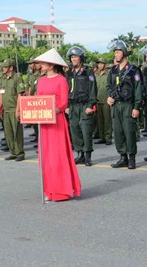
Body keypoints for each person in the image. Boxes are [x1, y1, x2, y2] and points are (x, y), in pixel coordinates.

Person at [32, 49, 81, 202]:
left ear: (52, 65)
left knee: (58, 156)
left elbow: (63, 102)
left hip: (57, 122)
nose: (40, 65)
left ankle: (62, 190)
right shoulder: (41, 80)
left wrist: (52, 110)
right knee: (46, 157)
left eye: (43, 63)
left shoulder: (61, 80)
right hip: (45, 124)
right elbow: (37, 99)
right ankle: (49, 189)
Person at [107, 40, 143, 170]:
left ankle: (131, 158)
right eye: (115, 52)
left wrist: (136, 107)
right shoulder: (113, 70)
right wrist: (109, 97)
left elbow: (138, 89)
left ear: (124, 53)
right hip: (116, 105)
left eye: (118, 52)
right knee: (118, 132)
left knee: (129, 132)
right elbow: (109, 86)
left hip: (128, 105)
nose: (115, 55)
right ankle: (122, 157)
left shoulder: (133, 70)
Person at [65, 46, 97, 166]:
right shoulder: (69, 72)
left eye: (76, 57)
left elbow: (93, 89)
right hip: (73, 106)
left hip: (84, 105)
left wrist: (91, 104)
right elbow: (66, 90)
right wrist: (66, 106)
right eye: (72, 57)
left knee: (86, 130)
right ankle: (80, 154)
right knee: (75, 130)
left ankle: (88, 155)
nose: (74, 59)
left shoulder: (87, 71)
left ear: (81, 58)